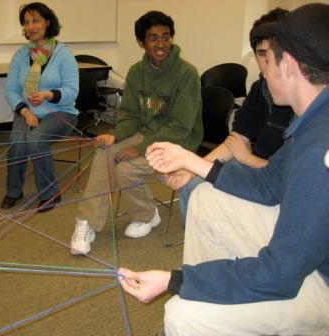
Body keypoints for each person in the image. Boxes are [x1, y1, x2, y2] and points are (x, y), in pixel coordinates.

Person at [119, 4, 329, 335]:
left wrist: (175, 280)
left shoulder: (320, 148)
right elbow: (269, 184)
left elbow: (281, 274)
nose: (263, 68)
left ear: (288, 63)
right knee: (204, 198)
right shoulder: (314, 118)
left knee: (182, 315)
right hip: (305, 251)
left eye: (268, 57)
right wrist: (193, 162)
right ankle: (217, 296)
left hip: (316, 277)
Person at [70, 11, 203, 255]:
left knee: (126, 169)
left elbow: (181, 127)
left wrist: (139, 149)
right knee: (105, 150)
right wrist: (116, 135)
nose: (161, 44)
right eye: (153, 38)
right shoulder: (136, 71)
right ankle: (87, 222)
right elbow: (130, 115)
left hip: (179, 142)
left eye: (166, 37)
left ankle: (147, 215)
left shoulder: (187, 74)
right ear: (141, 42)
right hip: (147, 134)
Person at [174, 8, 294, 224]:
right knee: (192, 186)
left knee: (206, 195)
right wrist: (196, 167)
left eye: (275, 54)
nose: (267, 64)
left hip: (275, 184)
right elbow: (236, 141)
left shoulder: (305, 103)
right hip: (253, 166)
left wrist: (247, 158)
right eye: (261, 54)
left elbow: (287, 176)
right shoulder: (261, 89)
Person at [0, 2, 79, 212]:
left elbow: (72, 91)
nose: (31, 26)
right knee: (16, 142)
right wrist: (25, 112)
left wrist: (47, 95)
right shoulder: (20, 55)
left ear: (47, 22)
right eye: (26, 22)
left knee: (35, 140)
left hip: (61, 111)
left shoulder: (64, 54)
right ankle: (14, 190)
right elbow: (11, 90)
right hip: (28, 112)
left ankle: (50, 193)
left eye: (36, 20)